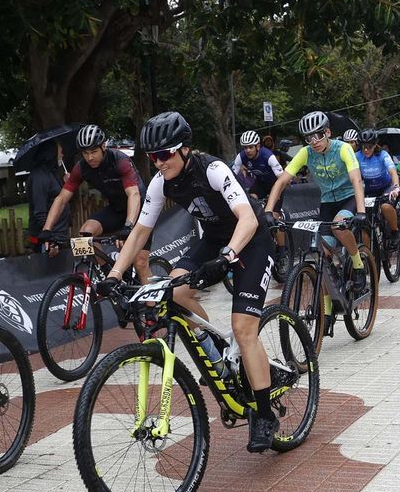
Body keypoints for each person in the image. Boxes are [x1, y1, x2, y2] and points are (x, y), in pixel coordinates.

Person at [103, 111, 281, 452]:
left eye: (165, 154)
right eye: (153, 157)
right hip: (214, 238)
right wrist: (114, 275)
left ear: (184, 149)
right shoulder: (160, 181)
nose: (158, 162)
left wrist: (228, 257)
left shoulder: (213, 169)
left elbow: (246, 218)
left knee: (244, 328)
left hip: (251, 238)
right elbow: (141, 230)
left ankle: (263, 413)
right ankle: (217, 351)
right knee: (174, 289)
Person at [266, 112, 371, 295]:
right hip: (327, 202)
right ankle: (331, 302)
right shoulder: (305, 153)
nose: (314, 141)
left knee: (339, 227)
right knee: (323, 253)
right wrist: (268, 211)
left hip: (349, 198)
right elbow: (282, 181)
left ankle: (358, 265)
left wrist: (361, 211)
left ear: (328, 132)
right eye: (309, 137)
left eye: (319, 135)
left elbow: (356, 179)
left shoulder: (343, 148)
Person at [37, 125, 148, 276]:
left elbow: (134, 194)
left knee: (140, 261)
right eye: (85, 153)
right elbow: (61, 199)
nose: (90, 157)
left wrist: (128, 227)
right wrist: (47, 230)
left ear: (103, 146)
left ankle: (156, 300)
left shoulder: (120, 160)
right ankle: (107, 272)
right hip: (117, 209)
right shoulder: (82, 167)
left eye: (94, 152)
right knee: (85, 234)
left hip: (141, 210)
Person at [355, 128, 400, 245]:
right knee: (365, 223)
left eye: (369, 146)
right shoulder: (357, 156)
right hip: (369, 190)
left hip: (386, 187)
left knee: (386, 206)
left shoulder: (382, 154)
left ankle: (394, 231)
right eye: (363, 146)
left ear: (375, 145)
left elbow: (392, 171)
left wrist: (396, 187)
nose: (366, 150)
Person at [25, 140, 69, 248]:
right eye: (60, 152)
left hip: (59, 236)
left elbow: (57, 198)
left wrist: (66, 184)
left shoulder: (51, 173)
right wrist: (49, 239)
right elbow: (40, 211)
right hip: (48, 239)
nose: (62, 155)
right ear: (51, 153)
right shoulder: (39, 176)